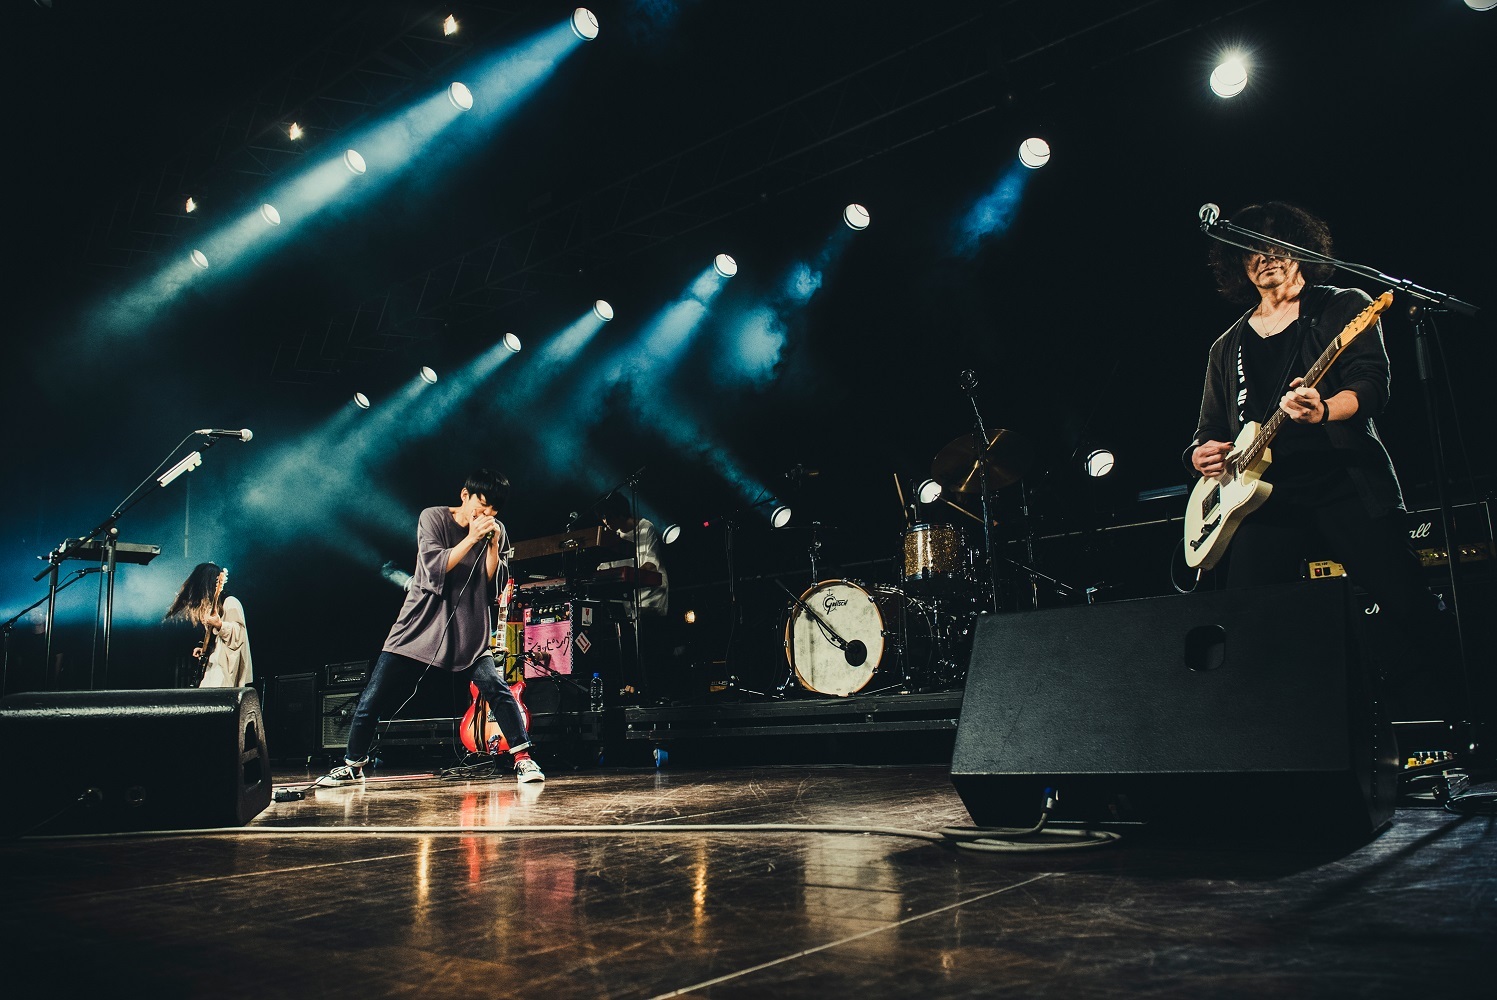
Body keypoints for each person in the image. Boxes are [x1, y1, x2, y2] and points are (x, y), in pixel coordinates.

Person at [1185, 201, 1449, 715]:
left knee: (1408, 605)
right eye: (1251, 251)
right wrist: (1202, 455)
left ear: (1303, 250)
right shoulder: (1226, 346)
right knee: (1248, 622)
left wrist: (1324, 408)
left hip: (1343, 484)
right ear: (1238, 266)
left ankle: (1445, 720)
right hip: (1264, 503)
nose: (1267, 258)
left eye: (1278, 246)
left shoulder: (1341, 304)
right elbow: (1207, 432)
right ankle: (1273, 733)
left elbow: (1372, 386)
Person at [326, 469, 543, 784]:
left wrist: (494, 546)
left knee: (496, 687)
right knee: (373, 695)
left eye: (492, 512)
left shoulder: (496, 530)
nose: (484, 516)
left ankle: (523, 760)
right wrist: (470, 538)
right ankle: (353, 764)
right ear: (464, 495)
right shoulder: (433, 518)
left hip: (468, 624)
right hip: (421, 622)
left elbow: (493, 586)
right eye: (479, 508)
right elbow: (430, 571)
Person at [166, 562, 253, 688]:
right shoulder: (212, 606)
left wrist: (220, 625)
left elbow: (239, 634)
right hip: (213, 665)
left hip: (225, 668)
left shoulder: (230, 602)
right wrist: (205, 647)